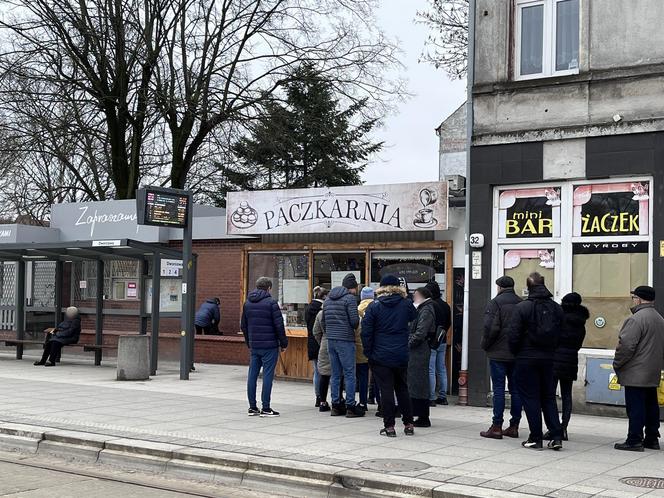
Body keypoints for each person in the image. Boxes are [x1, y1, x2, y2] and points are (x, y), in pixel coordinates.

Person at [508, 272, 564, 450]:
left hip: (526, 358)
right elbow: (562, 333)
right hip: (549, 358)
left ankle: (535, 437)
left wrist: (516, 353)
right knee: (548, 397)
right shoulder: (556, 308)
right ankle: (556, 436)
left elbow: (514, 335)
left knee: (531, 398)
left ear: (528, 287)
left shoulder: (522, 307)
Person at [361, 274, 417, 437]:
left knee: (386, 390)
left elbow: (366, 332)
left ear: (381, 288)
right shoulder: (406, 304)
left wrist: (368, 352)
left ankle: (390, 426)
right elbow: (414, 317)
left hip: (380, 354)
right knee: (402, 388)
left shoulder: (374, 306)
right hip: (400, 353)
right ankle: (408, 424)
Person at [613, 286, 664, 452]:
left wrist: (617, 363)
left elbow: (626, 346)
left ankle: (634, 439)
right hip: (652, 370)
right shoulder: (659, 319)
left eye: (634, 297)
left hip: (636, 371)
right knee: (651, 405)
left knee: (635, 406)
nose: (633, 300)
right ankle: (651, 438)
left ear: (639, 299)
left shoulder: (636, 319)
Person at [480, 276, 523, 439]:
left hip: (498, 352)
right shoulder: (521, 302)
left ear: (499, 287)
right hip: (516, 353)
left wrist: (485, 345)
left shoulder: (496, 303)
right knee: (516, 390)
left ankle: (497, 426)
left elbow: (490, 327)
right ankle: (514, 425)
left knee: (498, 389)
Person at [543, 292, 588, 442]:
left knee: (550, 395)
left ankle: (553, 428)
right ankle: (564, 427)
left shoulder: (558, 319)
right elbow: (579, 344)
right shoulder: (581, 323)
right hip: (571, 360)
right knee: (567, 395)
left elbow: (550, 337)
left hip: (555, 358)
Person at [241, 277, 288, 418]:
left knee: (252, 376)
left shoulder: (247, 303)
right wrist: (284, 343)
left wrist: (249, 342)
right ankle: (266, 407)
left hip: (255, 345)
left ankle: (252, 407)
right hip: (270, 346)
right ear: (269, 288)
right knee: (267, 375)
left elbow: (243, 325)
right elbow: (279, 326)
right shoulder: (271, 303)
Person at [323, 273, 364, 418]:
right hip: (345, 340)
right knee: (349, 374)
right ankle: (350, 407)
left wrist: (331, 332)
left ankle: (335, 406)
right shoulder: (350, 299)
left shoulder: (327, 299)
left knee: (335, 374)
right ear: (353, 288)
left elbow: (323, 322)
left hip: (331, 340)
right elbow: (354, 321)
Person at [410, 287, 436, 427]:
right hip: (418, 350)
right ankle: (419, 414)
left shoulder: (426, 309)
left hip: (419, 351)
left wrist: (409, 342)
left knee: (419, 382)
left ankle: (423, 416)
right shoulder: (424, 308)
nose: (413, 298)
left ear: (421, 295)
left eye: (415, 295)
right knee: (417, 382)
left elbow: (420, 332)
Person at [425, 281, 451, 407]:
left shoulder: (430, 305)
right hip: (443, 340)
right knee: (441, 368)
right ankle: (443, 396)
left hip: (431, 341)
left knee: (430, 369)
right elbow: (448, 323)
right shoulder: (446, 305)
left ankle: (431, 397)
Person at [313, 309, 342, 412]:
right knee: (339, 374)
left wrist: (321, 342)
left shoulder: (321, 313)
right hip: (340, 342)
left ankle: (322, 402)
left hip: (325, 343)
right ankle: (339, 399)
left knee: (324, 374)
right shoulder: (341, 311)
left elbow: (316, 331)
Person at [306, 286, 328, 407]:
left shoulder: (308, 308)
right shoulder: (323, 309)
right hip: (322, 342)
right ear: (324, 296)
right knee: (326, 372)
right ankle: (324, 397)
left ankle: (318, 397)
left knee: (317, 371)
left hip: (312, 342)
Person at [356, 286, 374, 412]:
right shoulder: (378, 308)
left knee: (362, 376)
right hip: (375, 347)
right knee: (378, 377)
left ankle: (363, 402)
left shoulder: (356, 310)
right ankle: (379, 402)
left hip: (360, 347)